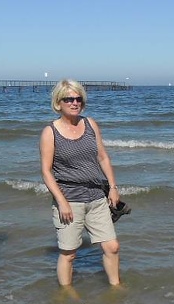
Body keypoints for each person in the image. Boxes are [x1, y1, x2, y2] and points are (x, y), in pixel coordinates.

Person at [39, 79, 122, 287]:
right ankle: (66, 295)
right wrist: (61, 201)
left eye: (78, 99)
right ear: (58, 103)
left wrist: (113, 187)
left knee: (112, 247)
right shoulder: (50, 132)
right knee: (69, 254)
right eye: (69, 99)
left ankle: (115, 286)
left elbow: (103, 157)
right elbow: (46, 171)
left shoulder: (90, 124)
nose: (75, 103)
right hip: (69, 200)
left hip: (96, 197)